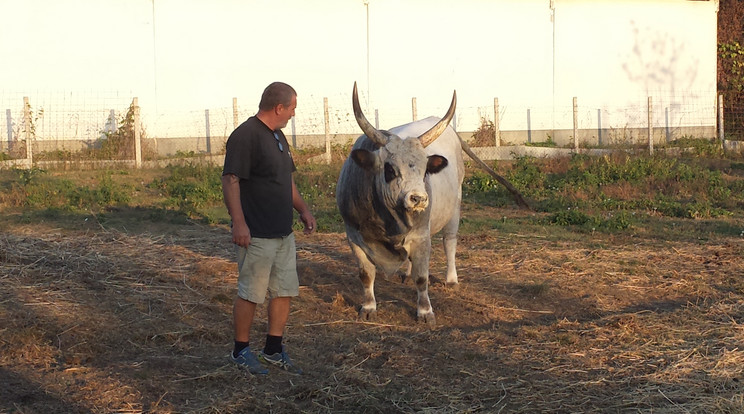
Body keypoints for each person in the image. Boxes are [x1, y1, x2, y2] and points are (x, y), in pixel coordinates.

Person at [221, 81, 316, 375]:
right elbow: (231, 180)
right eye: (292, 109)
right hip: (257, 234)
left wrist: (302, 209)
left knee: (284, 290)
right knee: (251, 293)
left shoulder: (279, 138)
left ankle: (273, 349)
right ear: (279, 107)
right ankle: (240, 351)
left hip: (283, 233)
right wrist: (239, 222)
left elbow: (286, 181)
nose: (293, 115)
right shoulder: (246, 136)